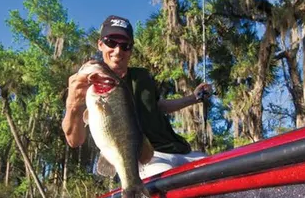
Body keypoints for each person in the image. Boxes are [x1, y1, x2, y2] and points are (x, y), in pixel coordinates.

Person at [62, 15, 211, 178]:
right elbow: (74, 141)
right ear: (100, 44)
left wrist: (194, 98)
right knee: (166, 180)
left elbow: (158, 106)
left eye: (125, 45)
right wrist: (73, 105)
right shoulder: (90, 87)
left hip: (181, 150)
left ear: (131, 49)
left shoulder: (142, 76)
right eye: (111, 42)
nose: (118, 51)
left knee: (218, 169)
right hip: (145, 159)